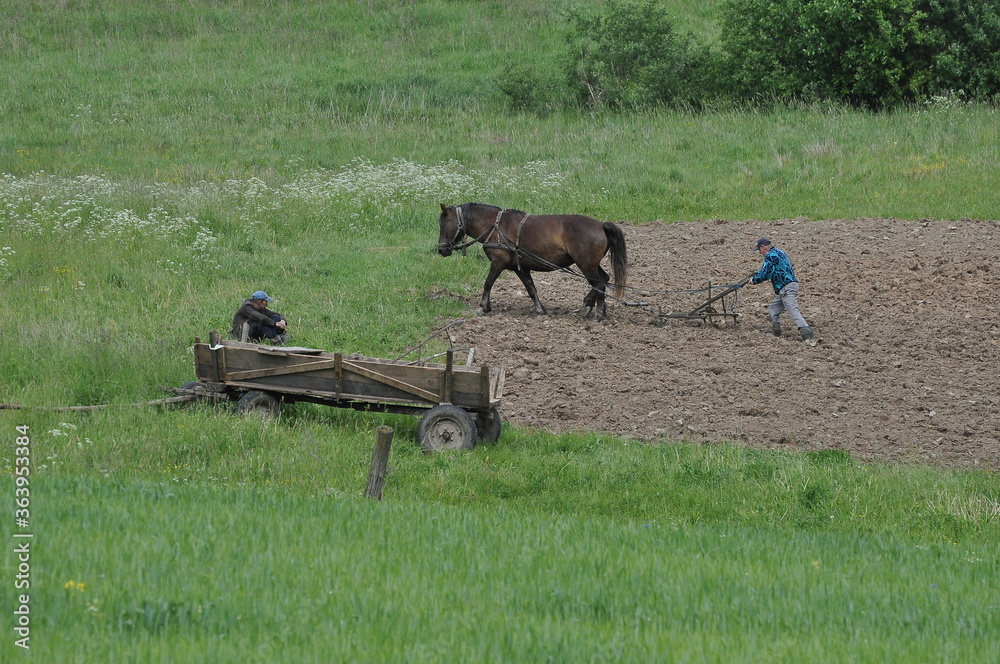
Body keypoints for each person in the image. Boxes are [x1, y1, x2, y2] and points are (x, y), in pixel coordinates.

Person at [746, 238, 814, 342]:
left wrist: (755, 280)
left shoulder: (771, 255)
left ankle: (807, 333)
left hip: (786, 287)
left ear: (763, 247)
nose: (760, 253)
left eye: (759, 250)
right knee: (773, 309)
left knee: (793, 310)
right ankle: (776, 332)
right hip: (787, 286)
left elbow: (767, 271)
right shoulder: (779, 252)